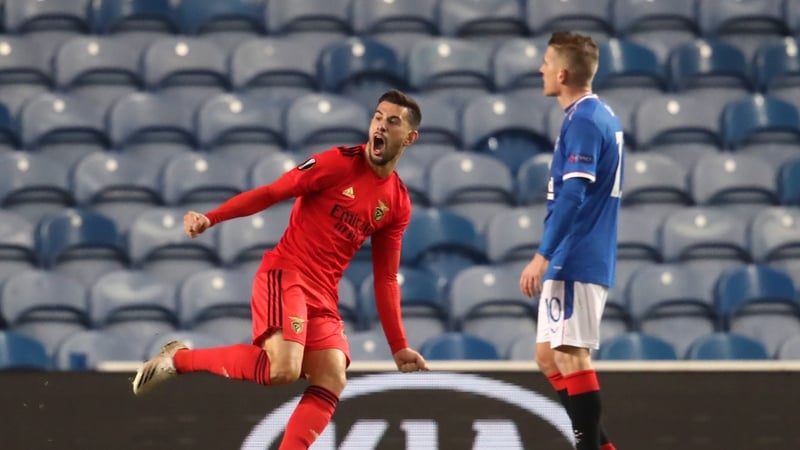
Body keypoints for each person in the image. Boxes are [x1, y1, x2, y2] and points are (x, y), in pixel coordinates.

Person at [132, 89, 430, 450]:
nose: (380, 125)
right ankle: (179, 359)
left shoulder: (396, 203)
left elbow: (384, 278)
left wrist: (398, 346)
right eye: (378, 117)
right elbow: (272, 192)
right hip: (285, 274)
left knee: (332, 375)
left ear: (409, 138)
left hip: (323, 295)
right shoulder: (336, 163)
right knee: (283, 370)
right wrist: (212, 217)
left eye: (392, 121)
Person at [519, 32, 622, 450]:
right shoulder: (598, 115)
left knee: (571, 353)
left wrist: (543, 256)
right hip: (579, 253)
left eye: (546, 62)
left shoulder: (582, 120)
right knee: (548, 355)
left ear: (562, 73)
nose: (540, 69)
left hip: (575, 254)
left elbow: (575, 193)